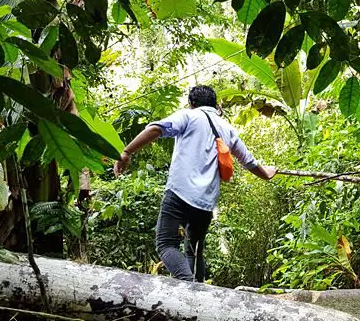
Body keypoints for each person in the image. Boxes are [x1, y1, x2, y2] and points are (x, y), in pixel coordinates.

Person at [113, 85, 277, 282]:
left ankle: (188, 286)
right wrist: (267, 174)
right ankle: (198, 291)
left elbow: (156, 129)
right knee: (194, 251)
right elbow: (249, 161)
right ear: (215, 105)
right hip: (205, 203)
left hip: (179, 193)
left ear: (191, 104)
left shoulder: (189, 116)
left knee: (165, 244)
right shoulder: (227, 129)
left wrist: (127, 152)